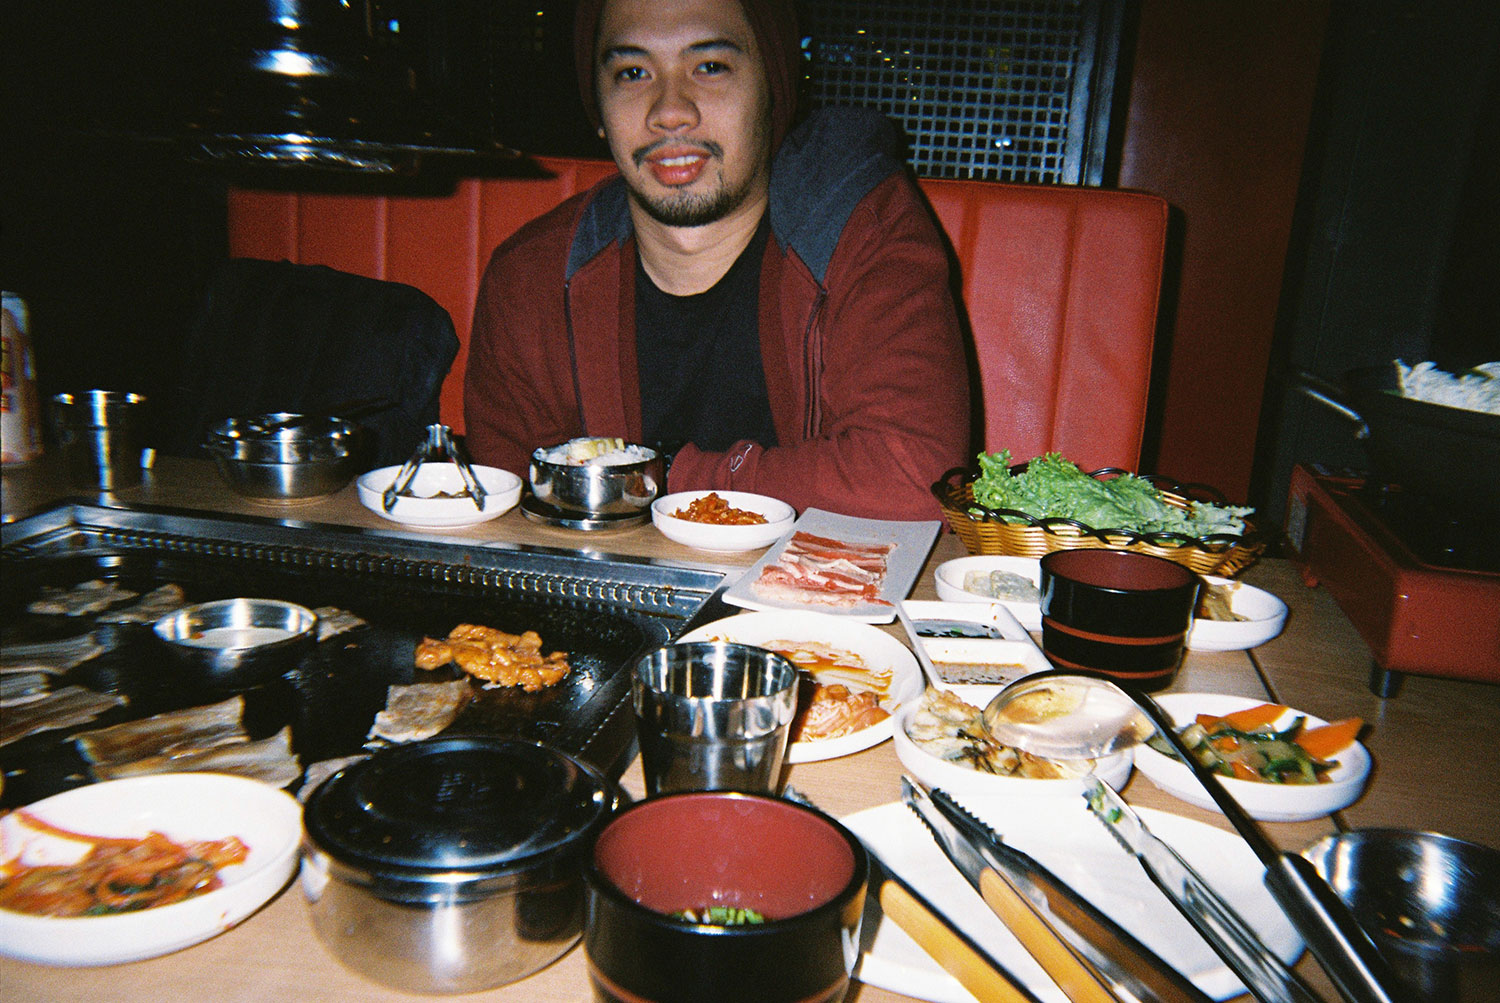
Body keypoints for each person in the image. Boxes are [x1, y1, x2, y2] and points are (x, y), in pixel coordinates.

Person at [463, 0, 970, 521]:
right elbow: (505, 516)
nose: (669, 111)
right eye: (632, 73)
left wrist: (657, 477)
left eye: (710, 67)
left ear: (773, 88)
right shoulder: (532, 280)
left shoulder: (858, 231)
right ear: (598, 108)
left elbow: (914, 475)